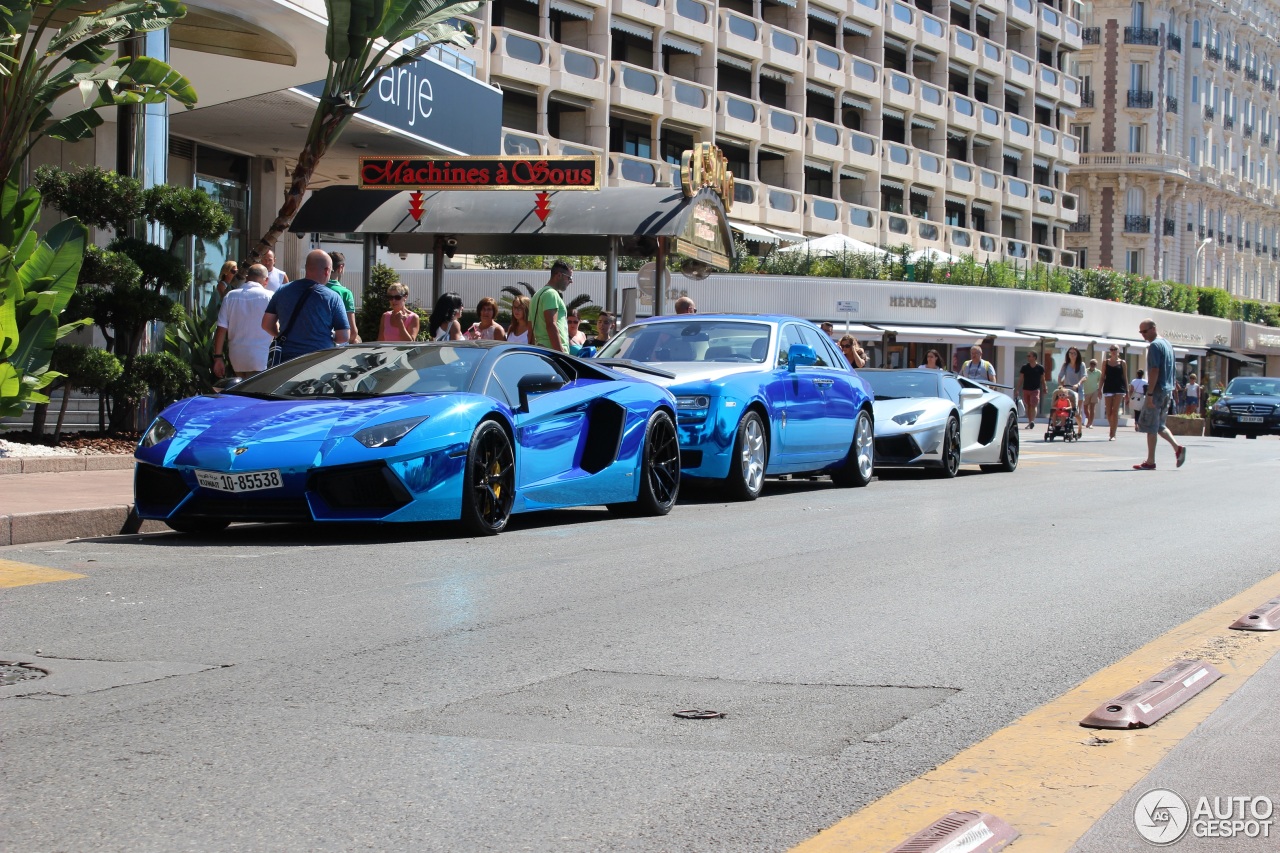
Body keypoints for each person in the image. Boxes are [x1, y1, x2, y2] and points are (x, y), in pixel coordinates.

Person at [260, 249, 349, 361]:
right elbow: (343, 337)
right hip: (318, 359)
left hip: (286, 361)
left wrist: (281, 334)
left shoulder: (282, 291)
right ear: (327, 271)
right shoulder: (333, 297)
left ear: (307, 267)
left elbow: (266, 324)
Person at [1134, 318, 1187, 470]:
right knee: (1160, 425)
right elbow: (1172, 368)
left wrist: (1149, 394)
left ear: (1153, 329)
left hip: (1157, 390)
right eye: (1141, 332)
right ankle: (1178, 448)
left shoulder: (1155, 346)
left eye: (1144, 331)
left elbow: (1154, 370)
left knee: (1151, 426)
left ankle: (1150, 461)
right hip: (1167, 389)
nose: (1143, 335)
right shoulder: (1167, 344)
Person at [213, 264, 273, 378]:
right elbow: (276, 326)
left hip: (237, 358)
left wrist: (218, 357)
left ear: (247, 277)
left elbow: (221, 329)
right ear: (266, 280)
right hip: (261, 357)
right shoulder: (270, 296)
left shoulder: (230, 296)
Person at [531, 260, 572, 352]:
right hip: (553, 353)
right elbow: (551, 324)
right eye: (569, 277)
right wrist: (561, 354)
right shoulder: (551, 294)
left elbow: (530, 328)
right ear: (559, 275)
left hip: (543, 350)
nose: (571, 281)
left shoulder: (537, 295)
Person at [326, 251, 360, 344]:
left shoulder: (314, 288)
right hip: (335, 347)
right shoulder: (345, 293)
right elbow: (352, 332)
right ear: (341, 268)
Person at [1100, 346, 1129, 441]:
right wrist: (1099, 389)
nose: (1113, 351)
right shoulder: (1106, 362)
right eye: (1111, 349)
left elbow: (1125, 377)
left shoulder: (1122, 362)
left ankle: (1113, 434)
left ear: (1118, 351)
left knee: (1115, 411)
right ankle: (1112, 429)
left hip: (1119, 388)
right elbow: (1102, 376)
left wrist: (1127, 392)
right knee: (1108, 412)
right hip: (1108, 387)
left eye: (1115, 349)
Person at [1057, 346, 1086, 438]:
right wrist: (1060, 383)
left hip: (1078, 390)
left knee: (1076, 412)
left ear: (1077, 355)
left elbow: (1084, 376)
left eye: (1074, 353)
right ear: (1068, 354)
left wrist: (1078, 383)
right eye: (1070, 353)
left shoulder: (1081, 364)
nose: (1072, 355)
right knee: (1065, 409)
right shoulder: (1066, 365)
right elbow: (1060, 376)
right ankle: (1064, 426)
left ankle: (1080, 428)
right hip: (1067, 390)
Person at [1017, 351, 1045, 429]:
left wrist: (1045, 387)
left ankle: (1032, 420)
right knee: (1028, 406)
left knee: (1034, 405)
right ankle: (1030, 422)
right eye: (1028, 356)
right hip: (1026, 389)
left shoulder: (1040, 368)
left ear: (1034, 357)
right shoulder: (1024, 367)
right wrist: (1017, 389)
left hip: (1035, 389)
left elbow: (1043, 379)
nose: (1028, 357)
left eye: (1029, 356)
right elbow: (1021, 379)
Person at [1081, 358, 1103, 428]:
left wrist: (1100, 391)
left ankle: (1090, 423)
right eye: (1091, 363)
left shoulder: (1098, 372)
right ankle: (1089, 420)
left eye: (1094, 364)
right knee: (1085, 408)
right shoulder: (1085, 371)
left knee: (1092, 407)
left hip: (1094, 391)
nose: (1093, 365)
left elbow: (1101, 382)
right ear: (1089, 364)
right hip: (1086, 391)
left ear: (1096, 365)